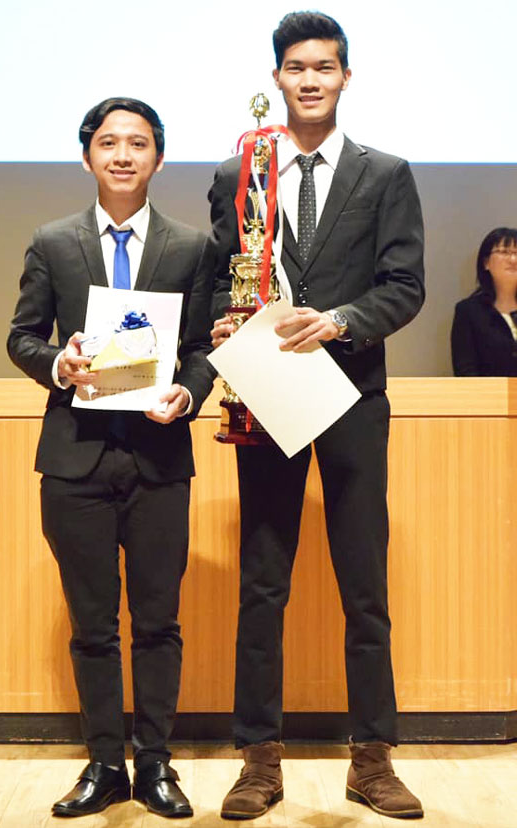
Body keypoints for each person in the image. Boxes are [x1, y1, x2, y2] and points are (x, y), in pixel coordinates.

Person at [210, 11, 425, 821]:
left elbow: (405, 286)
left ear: (345, 77)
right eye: (295, 67)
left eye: (323, 67)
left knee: (364, 584)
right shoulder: (241, 170)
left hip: (354, 397)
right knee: (262, 583)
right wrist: (225, 322)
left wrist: (338, 321)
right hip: (266, 394)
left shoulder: (386, 173)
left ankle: (372, 760)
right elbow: (223, 277)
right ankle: (257, 761)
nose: (309, 79)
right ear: (277, 78)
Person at [7, 97, 215, 819]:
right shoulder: (53, 241)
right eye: (108, 142)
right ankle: (103, 765)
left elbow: (201, 349)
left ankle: (155, 764)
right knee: (92, 626)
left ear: (158, 157)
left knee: (158, 621)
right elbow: (22, 336)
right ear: (87, 155)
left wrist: (188, 394)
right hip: (76, 460)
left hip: (159, 457)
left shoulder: (191, 247)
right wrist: (57, 365)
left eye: (138, 143)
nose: (123, 154)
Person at [451, 227, 517, 376]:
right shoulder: (468, 312)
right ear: (486, 262)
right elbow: (465, 371)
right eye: (504, 252)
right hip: (487, 391)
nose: (513, 259)